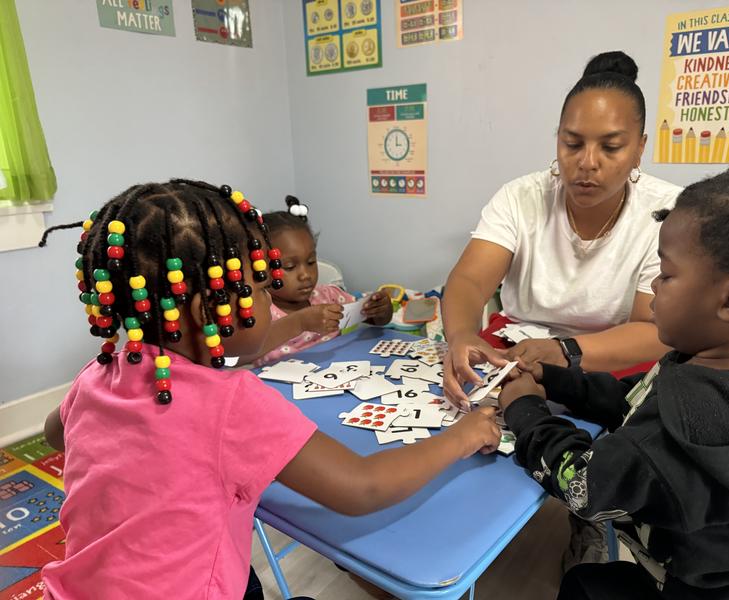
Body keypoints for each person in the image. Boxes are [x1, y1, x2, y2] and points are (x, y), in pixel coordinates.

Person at [37, 179, 501, 599]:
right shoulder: (229, 402)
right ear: (207, 312)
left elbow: (56, 434)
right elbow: (363, 488)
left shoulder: (96, 377)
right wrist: (463, 436)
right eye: (260, 286)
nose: (269, 296)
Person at [498, 165, 729, 599]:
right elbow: (636, 398)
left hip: (702, 588)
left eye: (667, 274)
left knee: (582, 588)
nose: (653, 285)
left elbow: (582, 486)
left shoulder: (682, 435)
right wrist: (556, 380)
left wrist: (524, 410)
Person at [442, 50, 682, 410]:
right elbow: (470, 281)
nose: (587, 162)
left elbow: (654, 329)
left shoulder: (667, 212)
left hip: (613, 356)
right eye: (572, 143)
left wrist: (565, 351)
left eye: (611, 147)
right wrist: (461, 334)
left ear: (639, 149)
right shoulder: (520, 197)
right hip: (517, 346)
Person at [254, 195, 393, 366]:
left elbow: (370, 318)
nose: (305, 275)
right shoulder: (258, 312)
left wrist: (380, 311)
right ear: (260, 268)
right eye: (289, 266)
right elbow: (243, 354)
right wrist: (299, 322)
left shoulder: (328, 296)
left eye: (311, 262)